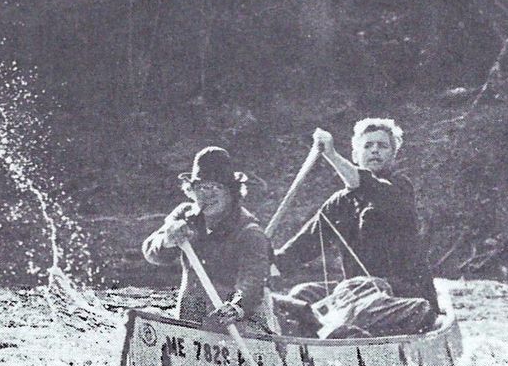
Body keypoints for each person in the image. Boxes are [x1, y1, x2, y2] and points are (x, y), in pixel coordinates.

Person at [273, 118, 438, 334]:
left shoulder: (400, 189)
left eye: (382, 146)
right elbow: (302, 247)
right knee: (300, 294)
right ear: (355, 156)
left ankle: (338, 329)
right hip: (355, 293)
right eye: (367, 146)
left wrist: (331, 154)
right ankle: (316, 338)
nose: (375, 151)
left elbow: (366, 185)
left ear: (393, 155)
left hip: (402, 295)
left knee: (366, 297)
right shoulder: (338, 203)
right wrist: (266, 264)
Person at [142, 146, 278, 333]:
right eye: (202, 187)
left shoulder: (250, 232)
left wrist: (237, 307)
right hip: (192, 321)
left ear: (231, 192)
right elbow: (151, 252)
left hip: (241, 325)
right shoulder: (185, 216)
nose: (208, 195)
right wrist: (167, 239)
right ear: (191, 189)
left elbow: (253, 282)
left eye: (216, 187)